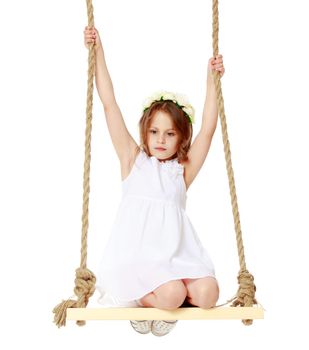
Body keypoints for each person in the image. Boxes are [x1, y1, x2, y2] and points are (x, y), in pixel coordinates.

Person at [84, 26, 225, 336]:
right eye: (154, 132)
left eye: (170, 133)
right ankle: (143, 299)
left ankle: (168, 300)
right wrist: (98, 51)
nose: (161, 140)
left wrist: (212, 79)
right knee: (173, 294)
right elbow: (110, 104)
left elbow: (208, 130)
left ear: (180, 139)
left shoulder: (182, 170)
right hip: (140, 259)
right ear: (144, 132)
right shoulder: (132, 160)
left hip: (178, 257)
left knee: (208, 294)